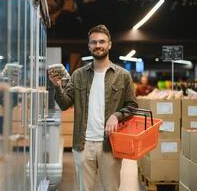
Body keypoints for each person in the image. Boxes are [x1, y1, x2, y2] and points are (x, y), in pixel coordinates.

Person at [48, 24, 137, 191]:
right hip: (83, 145)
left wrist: (116, 116)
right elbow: (65, 104)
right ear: (89, 46)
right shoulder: (78, 75)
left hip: (110, 145)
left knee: (111, 188)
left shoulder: (123, 76)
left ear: (109, 44)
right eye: (94, 42)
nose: (98, 45)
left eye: (102, 42)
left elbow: (132, 106)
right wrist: (57, 86)